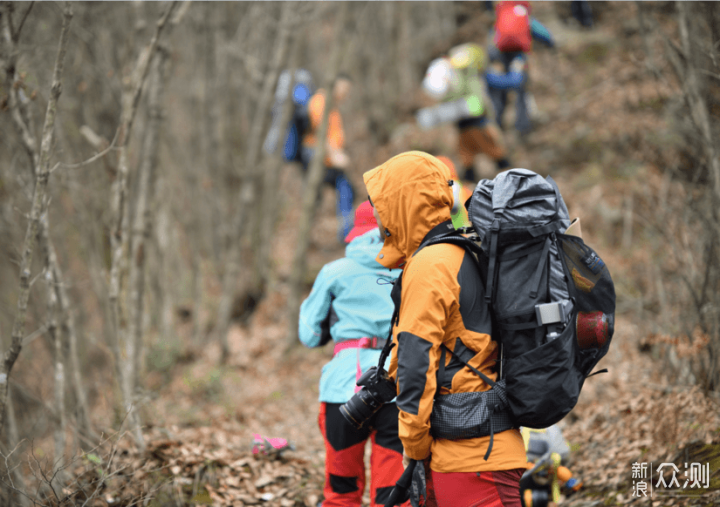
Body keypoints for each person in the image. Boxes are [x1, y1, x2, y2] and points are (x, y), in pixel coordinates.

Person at [363, 151, 528, 507]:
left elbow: (415, 363)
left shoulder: (430, 264)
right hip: (475, 450)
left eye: (382, 203)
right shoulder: (461, 252)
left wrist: (413, 445)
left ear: (404, 204)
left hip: (473, 460)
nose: (377, 215)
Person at [298, 201, 407, 507]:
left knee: (341, 492)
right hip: (398, 388)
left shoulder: (334, 273)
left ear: (355, 234)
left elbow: (309, 336)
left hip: (344, 390)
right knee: (391, 496)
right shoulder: (410, 270)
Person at [421, 43, 511, 184]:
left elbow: (473, 101)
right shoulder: (458, 74)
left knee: (488, 153)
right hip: (470, 123)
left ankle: (504, 176)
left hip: (473, 123)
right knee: (477, 155)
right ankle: (495, 177)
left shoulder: (461, 69)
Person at [486, 1, 555, 136]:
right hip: (518, 55)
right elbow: (541, 32)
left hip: (501, 55)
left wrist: (492, 57)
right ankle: (523, 127)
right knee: (520, 90)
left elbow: (493, 35)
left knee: (501, 90)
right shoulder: (523, 13)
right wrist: (550, 43)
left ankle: (498, 122)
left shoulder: (502, 12)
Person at [301, 74, 355, 242]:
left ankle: (346, 234)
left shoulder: (332, 106)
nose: (345, 93)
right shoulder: (320, 102)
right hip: (318, 160)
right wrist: (335, 156)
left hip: (328, 160)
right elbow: (320, 131)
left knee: (345, 189)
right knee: (317, 197)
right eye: (343, 89)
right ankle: (309, 237)